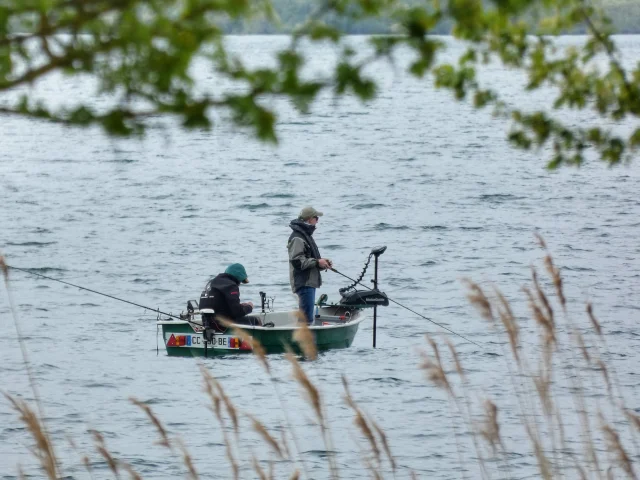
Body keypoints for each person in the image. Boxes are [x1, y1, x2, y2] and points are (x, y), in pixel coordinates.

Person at [288, 206, 333, 325]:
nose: (317, 221)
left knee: (307, 318)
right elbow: (297, 262)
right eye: (316, 218)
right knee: (306, 320)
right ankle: (303, 342)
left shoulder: (305, 235)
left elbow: (308, 259)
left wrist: (322, 263)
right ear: (309, 219)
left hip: (308, 283)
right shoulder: (298, 237)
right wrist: (317, 262)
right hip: (304, 283)